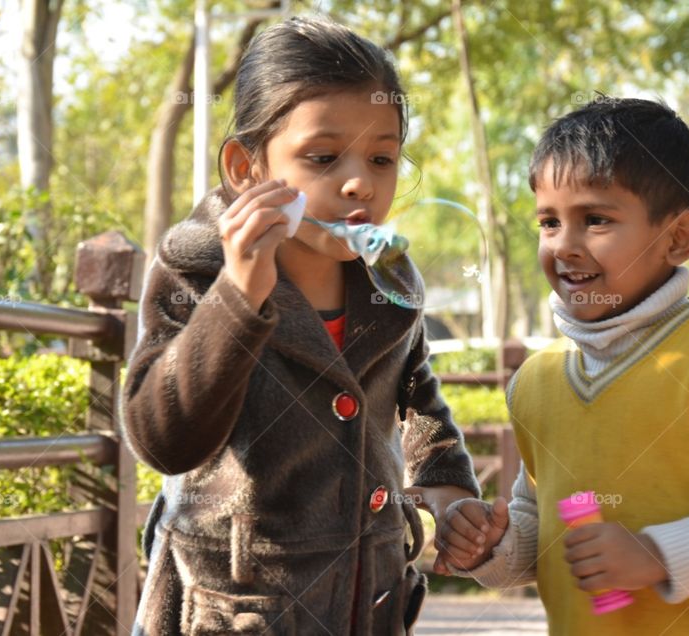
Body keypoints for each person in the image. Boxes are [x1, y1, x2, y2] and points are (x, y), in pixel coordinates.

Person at [122, 16, 479, 635]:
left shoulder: (388, 276)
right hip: (239, 611)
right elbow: (163, 439)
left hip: (370, 600)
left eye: (382, 158)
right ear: (246, 168)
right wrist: (238, 297)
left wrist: (449, 492)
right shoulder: (197, 268)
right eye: (322, 156)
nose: (359, 182)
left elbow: (418, 401)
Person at [432, 97, 689, 635]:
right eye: (549, 222)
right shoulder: (537, 383)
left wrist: (659, 554)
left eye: (595, 219)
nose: (564, 245)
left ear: (678, 238)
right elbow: (539, 520)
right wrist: (493, 545)